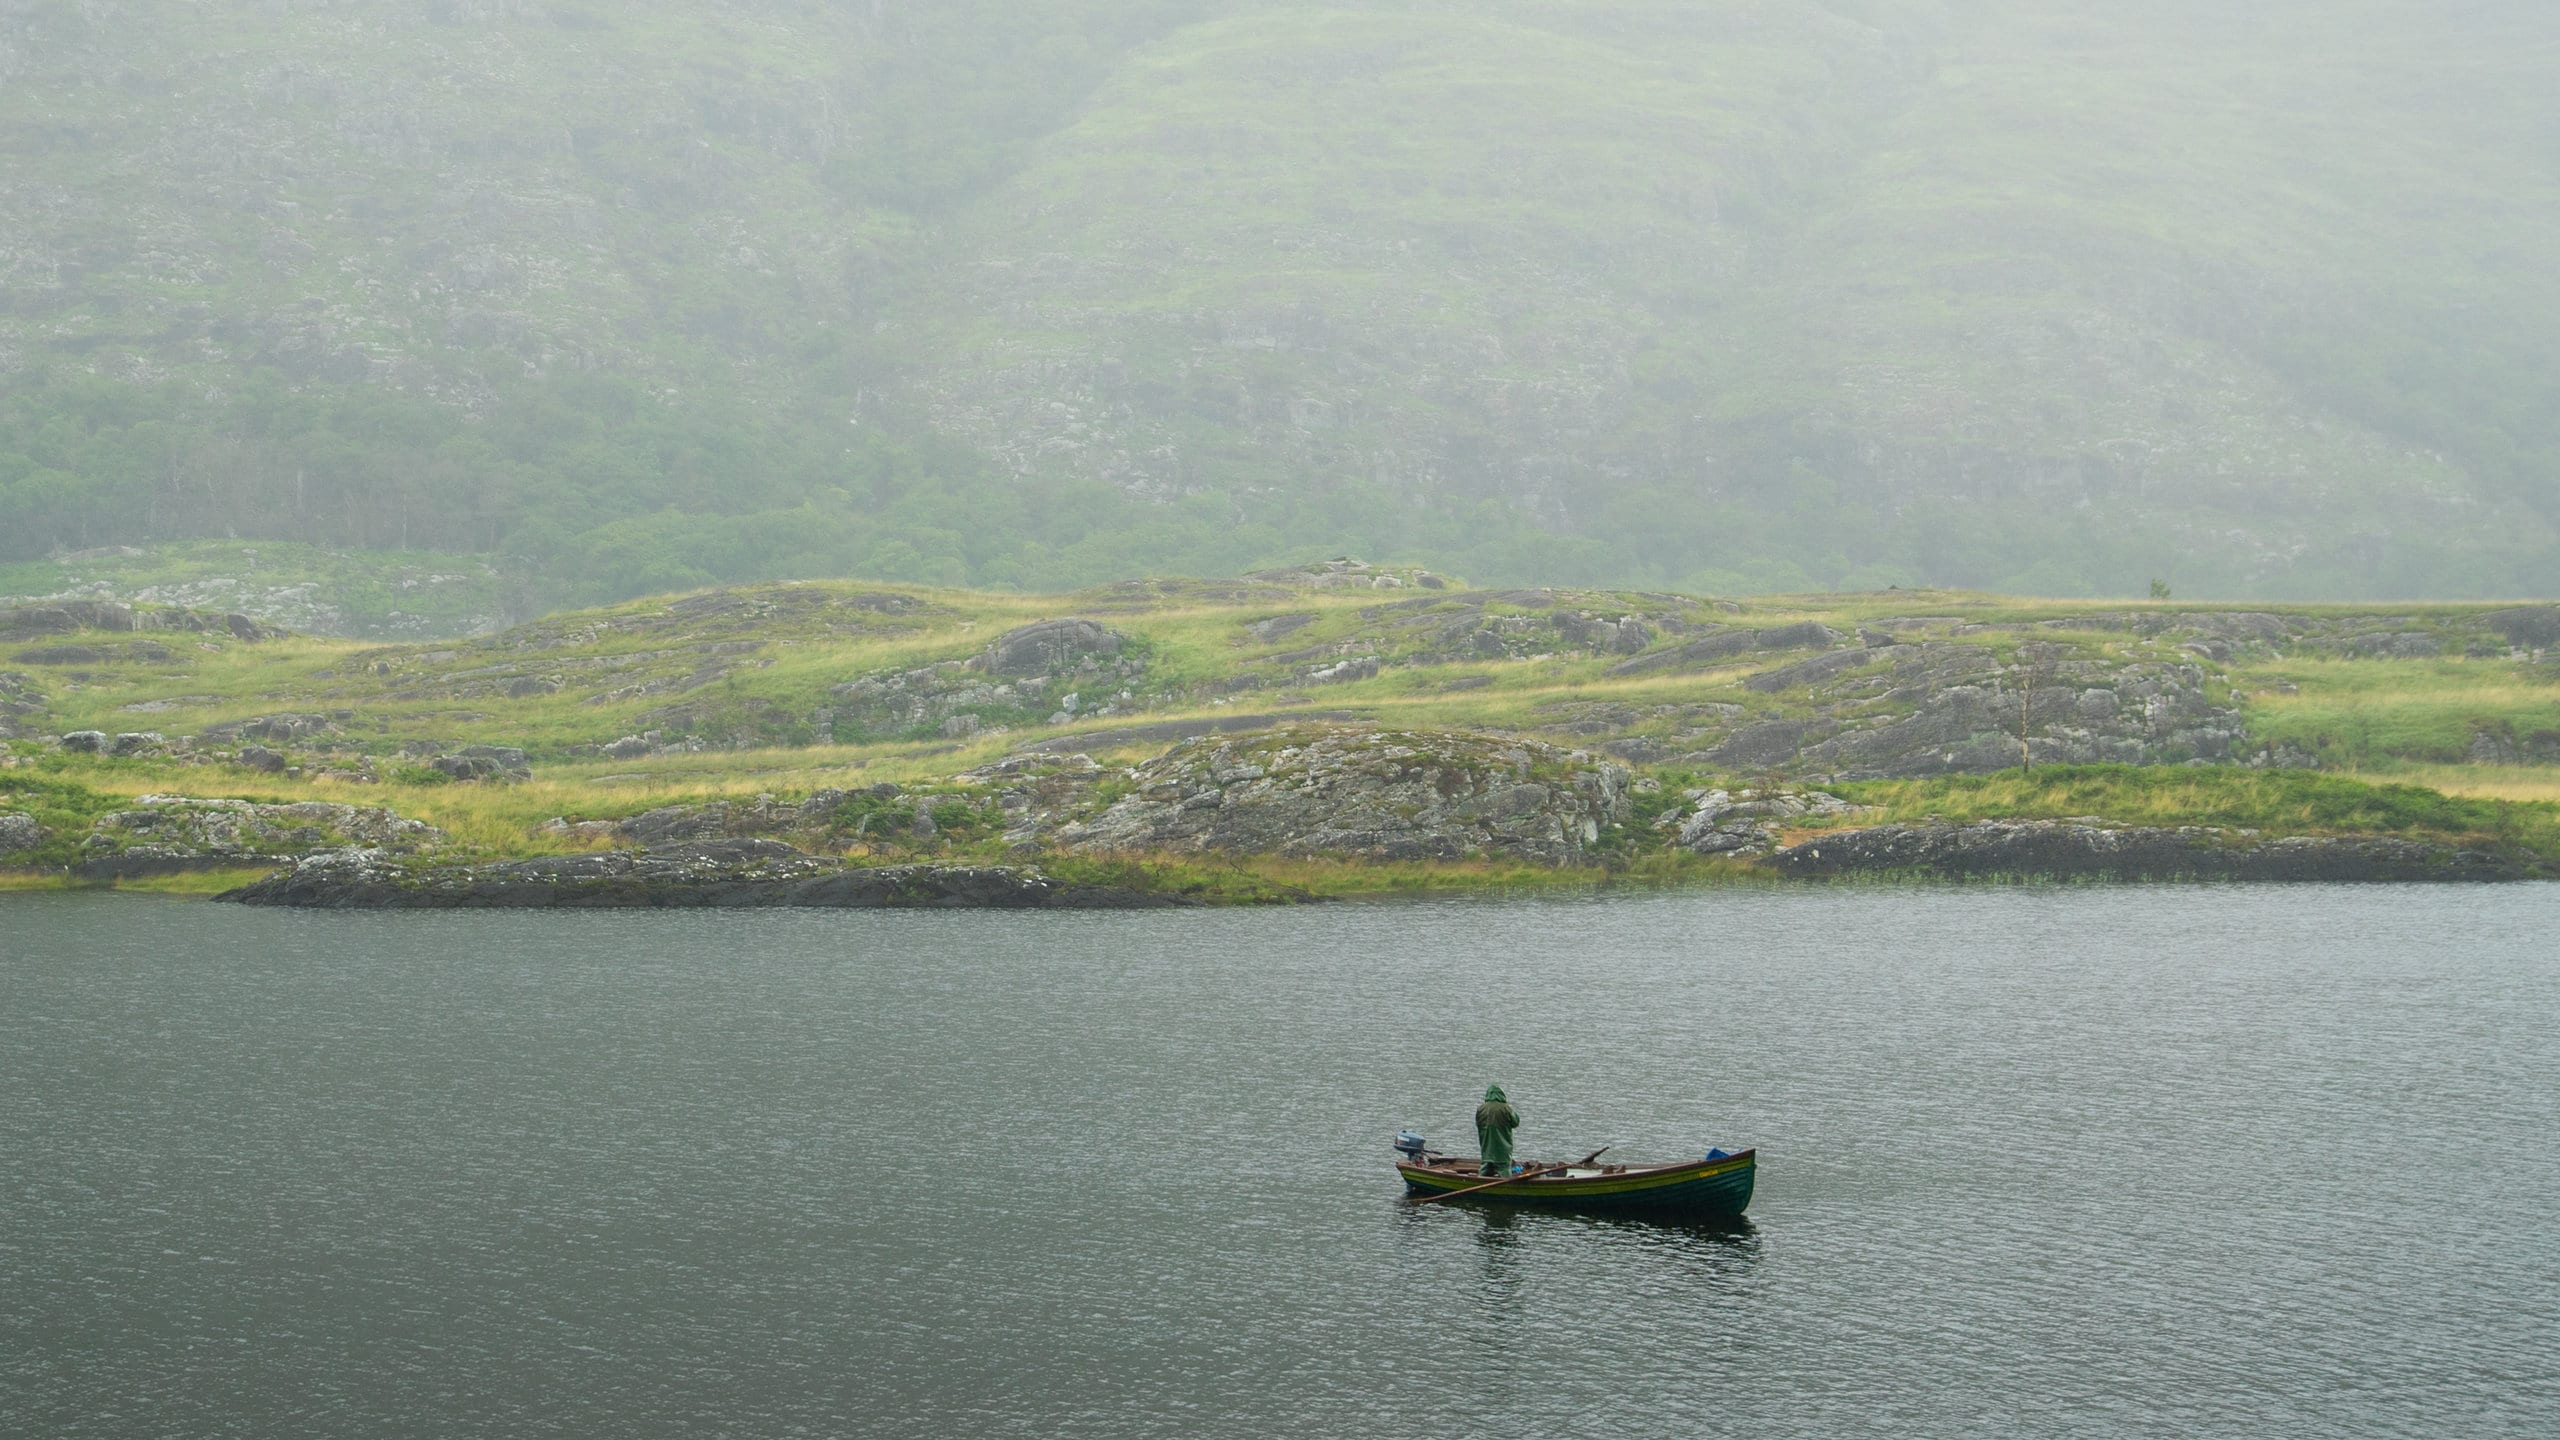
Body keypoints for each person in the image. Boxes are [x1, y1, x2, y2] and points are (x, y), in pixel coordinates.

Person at [1475, 1084, 1520, 1176]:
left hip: (1487, 1146)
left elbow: (1478, 1123)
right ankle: (1508, 1186)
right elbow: (1515, 1122)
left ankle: (1479, 1180)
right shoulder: (1506, 1108)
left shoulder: (1481, 1109)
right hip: (1502, 1149)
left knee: (1486, 1166)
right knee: (1504, 1168)